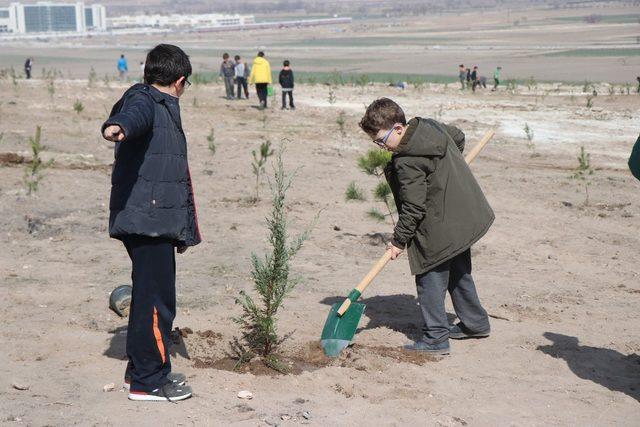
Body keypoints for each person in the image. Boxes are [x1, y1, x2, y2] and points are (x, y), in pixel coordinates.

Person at [101, 44, 201, 401]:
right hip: (149, 219)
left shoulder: (155, 103)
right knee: (157, 301)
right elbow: (133, 115)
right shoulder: (147, 101)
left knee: (147, 298)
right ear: (179, 81)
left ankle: (139, 373)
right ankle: (149, 381)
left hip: (150, 217)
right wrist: (119, 126)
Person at [358, 98, 494, 355]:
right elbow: (459, 136)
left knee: (429, 276)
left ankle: (435, 339)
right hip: (463, 215)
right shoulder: (430, 127)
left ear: (398, 128)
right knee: (458, 272)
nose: (382, 147)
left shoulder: (406, 161)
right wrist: (445, 169)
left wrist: (398, 241)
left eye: (381, 140)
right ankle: (476, 323)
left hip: (439, 225)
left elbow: (413, 208)